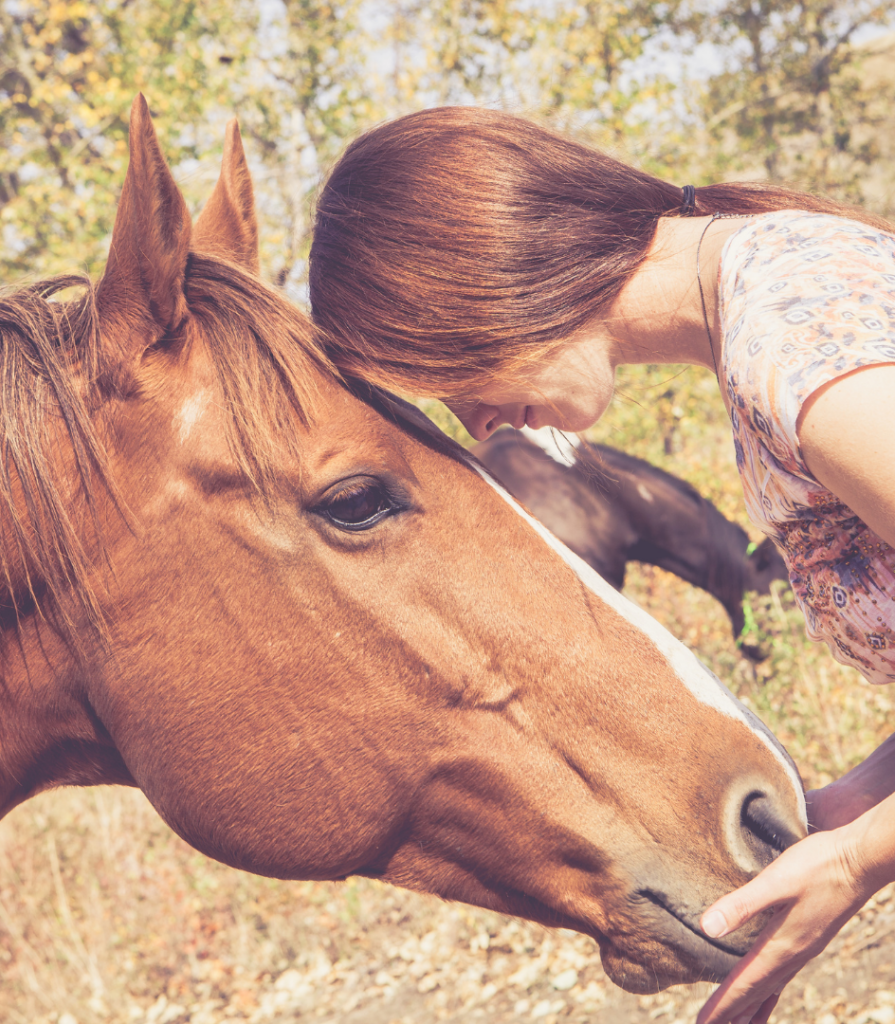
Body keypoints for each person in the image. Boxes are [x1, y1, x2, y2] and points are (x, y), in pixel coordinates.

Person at [307, 105, 895, 1024]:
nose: (482, 424)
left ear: (485, 288)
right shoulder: (770, 298)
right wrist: (860, 801)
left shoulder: (790, 335)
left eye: (454, 380)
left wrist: (864, 858)